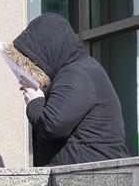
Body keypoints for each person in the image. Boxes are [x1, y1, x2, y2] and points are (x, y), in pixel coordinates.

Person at [7, 13, 130, 166]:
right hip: (88, 178)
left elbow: (52, 126)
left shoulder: (76, 73)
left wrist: (35, 101)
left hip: (93, 180)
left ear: (46, 51)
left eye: (32, 61)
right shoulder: (75, 72)